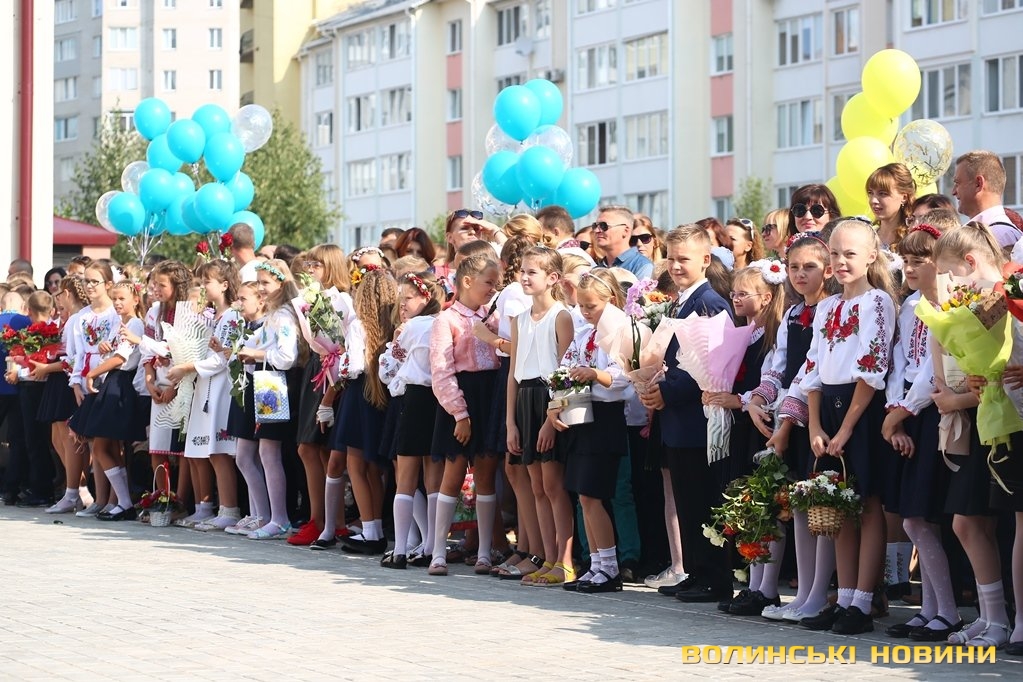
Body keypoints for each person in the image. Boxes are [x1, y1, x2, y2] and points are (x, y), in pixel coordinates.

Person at [799, 219, 898, 635]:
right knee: (837, 503)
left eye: (850, 254)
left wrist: (846, 429)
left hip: (862, 409)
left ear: (871, 256)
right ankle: (842, 597)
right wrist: (815, 425)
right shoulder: (826, 307)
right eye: (835, 253)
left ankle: (862, 600)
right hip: (830, 409)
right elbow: (813, 367)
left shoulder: (877, 302)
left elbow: (872, 368)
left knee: (868, 503)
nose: (840, 261)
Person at [932, 223, 1015, 647]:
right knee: (966, 522)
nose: (948, 285)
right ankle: (991, 616)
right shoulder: (975, 303)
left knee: (988, 523)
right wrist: (974, 381)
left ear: (969, 262)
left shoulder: (1007, 295)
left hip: (1007, 420)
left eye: (949, 274)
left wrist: (977, 387)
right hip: (987, 419)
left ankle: (1002, 620)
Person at [638, 224, 732, 602]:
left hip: (697, 419)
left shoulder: (709, 302)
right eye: (671, 259)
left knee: (704, 499)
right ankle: (694, 571)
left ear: (705, 260)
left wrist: (667, 392)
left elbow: (710, 366)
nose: (675, 266)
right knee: (687, 499)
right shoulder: (680, 301)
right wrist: (652, 380)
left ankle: (715, 576)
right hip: (677, 418)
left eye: (684, 259)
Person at [880, 221, 963, 641]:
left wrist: (905, 409)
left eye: (920, 260)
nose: (910, 269)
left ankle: (947, 612)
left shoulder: (948, 306)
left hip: (933, 411)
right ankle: (930, 610)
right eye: (906, 260)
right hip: (906, 412)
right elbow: (899, 360)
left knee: (921, 518)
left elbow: (934, 369)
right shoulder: (910, 305)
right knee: (914, 518)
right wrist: (895, 409)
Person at [757, 233, 836, 623]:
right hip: (792, 412)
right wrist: (759, 397)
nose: (801, 274)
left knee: (821, 505)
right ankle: (804, 593)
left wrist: (788, 421)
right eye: (794, 267)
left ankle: (819, 592)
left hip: (816, 414)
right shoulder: (792, 314)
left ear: (827, 270)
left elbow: (811, 370)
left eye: (810, 267)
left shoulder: (830, 309)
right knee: (801, 506)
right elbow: (781, 363)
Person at [705, 260, 787, 615]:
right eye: (734, 293)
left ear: (766, 298)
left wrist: (739, 399)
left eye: (744, 293)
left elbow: (773, 381)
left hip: (762, 423)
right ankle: (753, 583)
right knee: (749, 506)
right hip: (742, 425)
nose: (735, 299)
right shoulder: (744, 332)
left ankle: (767, 588)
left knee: (766, 506)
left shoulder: (773, 335)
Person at [551, 269, 631, 593]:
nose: (585, 312)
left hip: (606, 417)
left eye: (592, 306)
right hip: (582, 413)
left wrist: (594, 374)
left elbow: (623, 376)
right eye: (581, 306)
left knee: (593, 494)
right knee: (583, 495)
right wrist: (556, 400)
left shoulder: (620, 328)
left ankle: (610, 568)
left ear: (610, 299)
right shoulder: (585, 332)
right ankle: (595, 564)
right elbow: (565, 365)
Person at [426, 253, 503, 576]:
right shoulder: (446, 320)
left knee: (485, 475)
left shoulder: (493, 318)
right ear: (467, 281)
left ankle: (484, 551)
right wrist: (459, 413)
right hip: (461, 397)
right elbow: (441, 371)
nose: (494, 288)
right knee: (453, 474)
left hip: (490, 395)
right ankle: (437, 551)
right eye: (489, 282)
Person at [472, 236, 543, 578]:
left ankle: (533, 549)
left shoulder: (514, 292)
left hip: (519, 376)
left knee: (520, 468)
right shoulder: (516, 293)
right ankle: (525, 547)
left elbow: (521, 345)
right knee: (516, 469)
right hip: (513, 376)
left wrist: (490, 339)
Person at [506, 247, 576, 586]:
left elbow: (565, 372)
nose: (524, 277)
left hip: (549, 400)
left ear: (552, 278)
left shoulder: (561, 316)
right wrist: (510, 422)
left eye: (531, 272)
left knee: (553, 485)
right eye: (522, 270)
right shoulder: (519, 320)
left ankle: (565, 561)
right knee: (536, 486)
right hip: (524, 399)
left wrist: (551, 418)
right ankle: (547, 558)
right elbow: (513, 374)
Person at [316, 269, 398, 554]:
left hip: (359, 393)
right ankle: (375, 529)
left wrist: (338, 364)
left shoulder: (358, 325)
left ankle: (371, 531)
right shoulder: (393, 324)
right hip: (381, 393)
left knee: (355, 466)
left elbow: (352, 367)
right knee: (374, 467)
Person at [170, 260, 244, 531]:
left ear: (224, 285)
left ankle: (230, 509)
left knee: (219, 451)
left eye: (207, 282)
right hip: (206, 386)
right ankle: (211, 508)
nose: (202, 288)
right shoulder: (215, 317)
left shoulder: (233, 317)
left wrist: (187, 367)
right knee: (209, 452)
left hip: (221, 389)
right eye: (200, 283)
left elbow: (222, 359)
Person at [287, 244, 354, 546]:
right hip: (318, 366)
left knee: (315, 447)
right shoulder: (315, 297)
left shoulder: (341, 299)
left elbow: (343, 343)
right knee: (314, 449)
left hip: (332, 371)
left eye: (317, 265)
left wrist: (331, 389)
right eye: (309, 265)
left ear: (332, 267)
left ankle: (322, 520)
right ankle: (330, 521)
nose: (310, 269)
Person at [377, 272, 445, 568]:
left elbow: (387, 371)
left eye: (408, 298)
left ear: (425, 298)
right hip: (440, 399)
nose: (402, 304)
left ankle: (401, 549)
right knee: (433, 478)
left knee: (405, 477)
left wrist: (394, 344)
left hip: (415, 397)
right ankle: (431, 547)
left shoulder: (412, 327)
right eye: (400, 298)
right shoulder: (444, 322)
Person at [232, 260, 301, 540]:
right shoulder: (274, 314)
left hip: (275, 383)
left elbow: (286, 357)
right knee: (263, 453)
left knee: (269, 453)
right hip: (265, 382)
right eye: (258, 282)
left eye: (266, 283)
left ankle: (280, 519)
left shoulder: (283, 316)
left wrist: (256, 354)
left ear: (281, 284)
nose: (261, 288)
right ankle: (269, 517)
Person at [77, 278, 146, 521]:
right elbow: (112, 354)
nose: (117, 303)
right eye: (114, 298)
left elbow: (121, 358)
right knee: (108, 446)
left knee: (102, 445)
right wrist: (103, 348)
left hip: (121, 383)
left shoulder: (135, 324)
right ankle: (122, 502)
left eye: (122, 298)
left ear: (135, 300)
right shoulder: (119, 323)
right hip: (112, 381)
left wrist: (91, 373)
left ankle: (124, 502)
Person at [40, 276, 90, 513]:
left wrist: (46, 367)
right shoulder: (73, 319)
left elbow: (72, 358)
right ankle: (75, 488)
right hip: (68, 379)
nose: (58, 299)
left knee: (71, 438)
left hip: (71, 381)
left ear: (67, 294)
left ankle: (76, 489)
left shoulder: (77, 319)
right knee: (58, 437)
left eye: (59, 294)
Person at [952, 150, 1022, 249]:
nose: (953, 192)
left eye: (957, 183)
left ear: (978, 184)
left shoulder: (998, 236)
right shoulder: (1001, 233)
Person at [0, 292, 31, 505]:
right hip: (19, 388)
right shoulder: (27, 322)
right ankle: (11, 488)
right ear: (22, 306)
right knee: (17, 440)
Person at [593, 205, 654, 279]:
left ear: (625, 231)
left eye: (603, 226)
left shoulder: (641, 266)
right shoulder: (596, 270)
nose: (597, 230)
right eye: (595, 226)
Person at [867, 163, 916, 250]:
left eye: (882, 194)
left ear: (904, 197)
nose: (873, 200)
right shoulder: (865, 236)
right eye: (870, 193)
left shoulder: (914, 239)